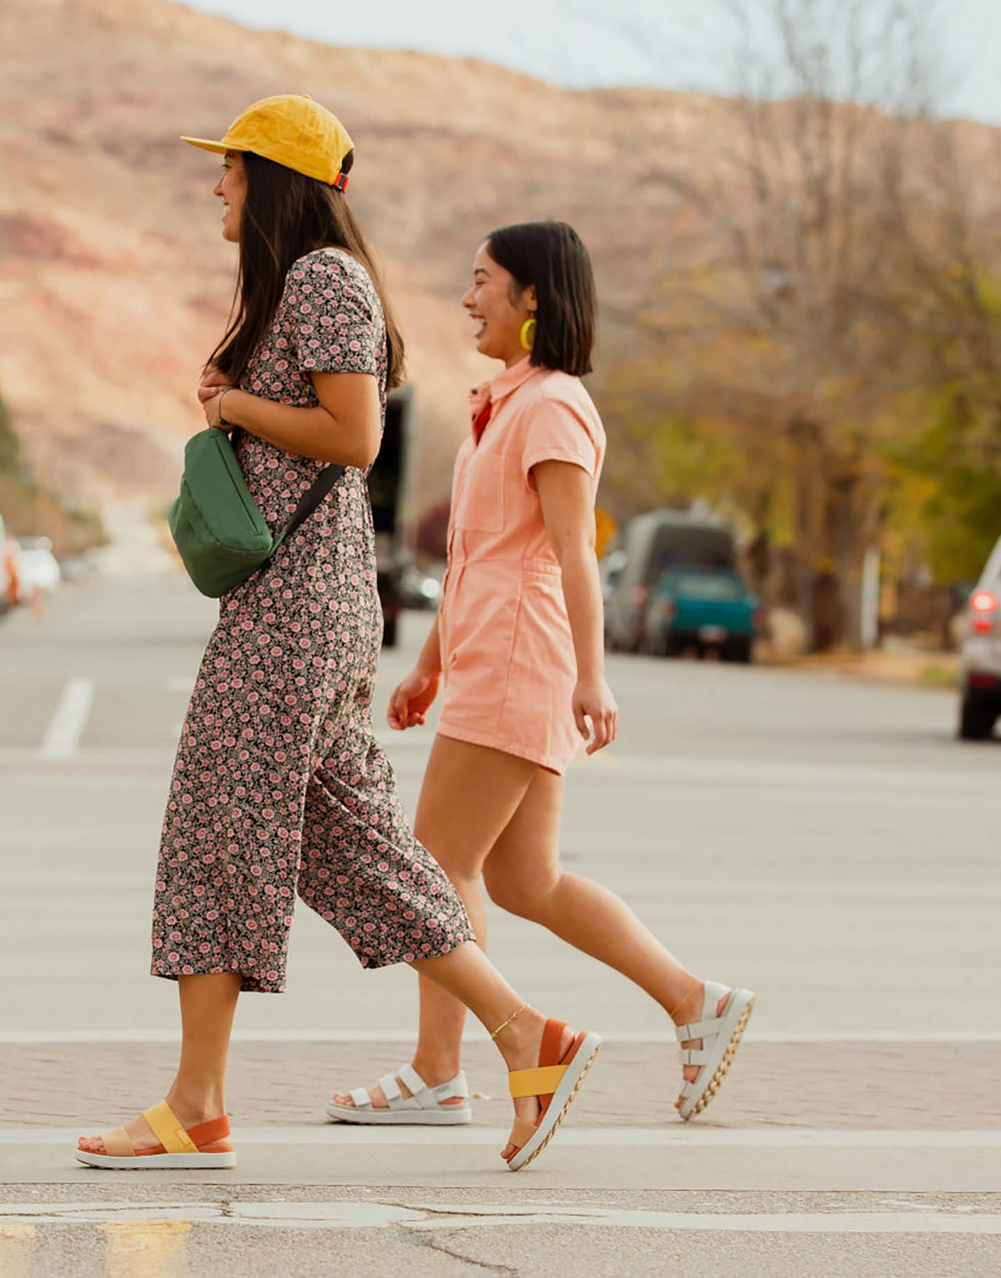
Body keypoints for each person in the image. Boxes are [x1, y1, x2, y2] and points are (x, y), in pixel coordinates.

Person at [77, 97, 596, 1174]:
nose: (214, 186)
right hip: (310, 605)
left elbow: (352, 436)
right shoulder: (306, 285)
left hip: (292, 612)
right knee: (352, 847)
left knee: (215, 832)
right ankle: (526, 1038)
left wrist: (233, 411)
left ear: (271, 179)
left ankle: (195, 1104)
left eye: (227, 171)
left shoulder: (320, 277)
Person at [327, 222, 755, 1130]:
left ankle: (442, 1070)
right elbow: (475, 557)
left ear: (533, 300)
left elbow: (571, 553)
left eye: (483, 280)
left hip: (521, 664)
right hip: (486, 659)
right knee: (526, 881)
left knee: (437, 867)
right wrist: (429, 665)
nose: (467, 295)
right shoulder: (498, 408)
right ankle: (696, 1002)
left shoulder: (554, 406)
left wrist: (592, 678)